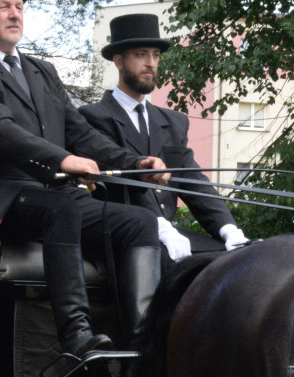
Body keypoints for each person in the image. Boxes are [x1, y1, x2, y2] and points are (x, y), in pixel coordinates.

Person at [0, 0, 176, 354]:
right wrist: (63, 159)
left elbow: (82, 133)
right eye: (4, 6)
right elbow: (1, 131)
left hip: (57, 196)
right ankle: (76, 338)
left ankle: (142, 346)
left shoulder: (42, 71)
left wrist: (136, 163)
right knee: (62, 208)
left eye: (20, 5)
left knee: (139, 223)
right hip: (1, 197)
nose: (15, 13)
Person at [79, 13, 249, 262]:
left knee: (230, 265)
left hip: (170, 237)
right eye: (140, 54)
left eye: (155, 55)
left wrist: (227, 229)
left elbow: (192, 179)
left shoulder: (173, 122)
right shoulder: (92, 117)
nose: (151, 63)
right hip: (120, 237)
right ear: (118, 61)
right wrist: (159, 226)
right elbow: (123, 182)